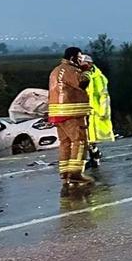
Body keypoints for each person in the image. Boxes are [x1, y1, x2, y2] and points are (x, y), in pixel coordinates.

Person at [48, 48, 93, 187]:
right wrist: (86, 70)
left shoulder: (56, 70)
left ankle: (65, 173)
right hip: (71, 112)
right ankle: (76, 174)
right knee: (79, 141)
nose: (81, 61)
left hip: (57, 112)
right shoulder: (71, 70)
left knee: (65, 143)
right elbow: (82, 83)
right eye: (79, 58)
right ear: (73, 58)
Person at [80, 55, 113, 170]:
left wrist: (103, 110)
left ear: (89, 64)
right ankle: (95, 157)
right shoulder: (83, 75)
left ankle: (95, 157)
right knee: (87, 138)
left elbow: (103, 95)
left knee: (90, 138)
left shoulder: (98, 77)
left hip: (94, 110)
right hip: (85, 109)